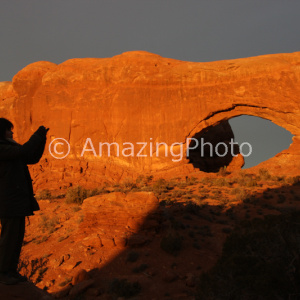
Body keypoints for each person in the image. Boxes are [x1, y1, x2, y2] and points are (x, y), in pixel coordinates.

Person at [0, 118, 48, 285]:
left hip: (16, 201)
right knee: (9, 238)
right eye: (8, 129)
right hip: (8, 202)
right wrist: (36, 135)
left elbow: (31, 157)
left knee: (16, 237)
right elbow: (24, 151)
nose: (12, 132)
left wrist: (42, 139)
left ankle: (10, 271)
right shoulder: (2, 148)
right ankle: (3, 272)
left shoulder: (10, 147)